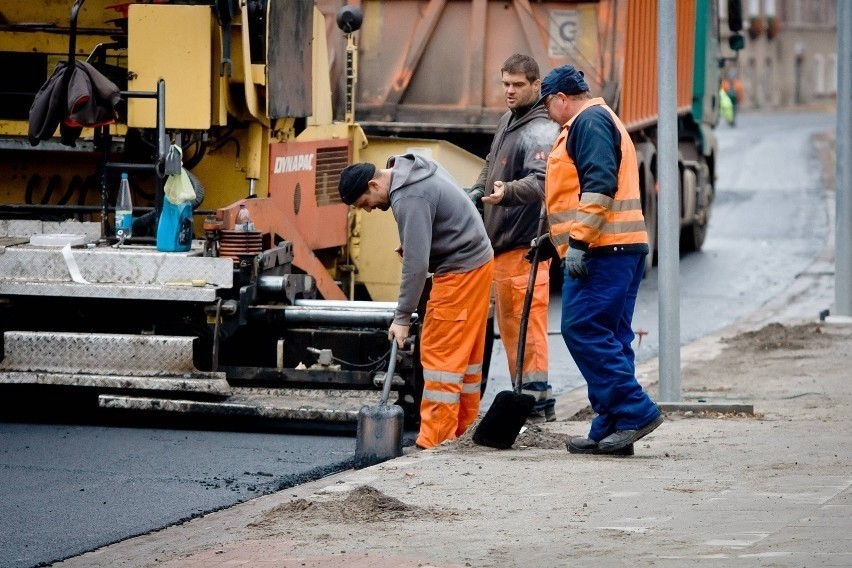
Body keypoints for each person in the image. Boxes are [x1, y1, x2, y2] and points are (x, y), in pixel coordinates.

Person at [539, 64, 663, 455]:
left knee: (582, 330)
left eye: (547, 106)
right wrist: (555, 239)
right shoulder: (596, 119)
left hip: (602, 251)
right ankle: (612, 425)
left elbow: (599, 185)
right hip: (618, 248)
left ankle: (635, 411)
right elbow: (578, 192)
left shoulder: (587, 122)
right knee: (610, 337)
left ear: (561, 98)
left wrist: (577, 242)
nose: (547, 115)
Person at [338, 155, 495, 449]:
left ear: (373, 183)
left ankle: (434, 442)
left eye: (365, 203)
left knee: (440, 358)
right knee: (466, 357)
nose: (369, 210)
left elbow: (415, 266)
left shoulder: (409, 195)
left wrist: (401, 318)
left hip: (460, 272)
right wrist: (416, 238)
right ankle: (463, 431)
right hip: (476, 263)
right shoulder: (409, 169)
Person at [467, 53, 559, 423]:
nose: (509, 91)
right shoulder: (509, 119)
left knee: (526, 325)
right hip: (502, 244)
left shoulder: (541, 128)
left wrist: (506, 192)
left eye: (518, 85)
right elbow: (490, 163)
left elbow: (540, 182)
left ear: (536, 85)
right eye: (505, 83)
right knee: (510, 328)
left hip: (524, 246)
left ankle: (537, 401)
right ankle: (528, 396)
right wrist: (477, 189)